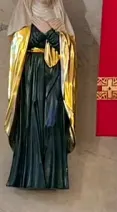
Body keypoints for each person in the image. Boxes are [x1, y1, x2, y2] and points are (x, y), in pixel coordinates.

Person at [5, 0, 77, 189]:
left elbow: (69, 48)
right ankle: (30, 175)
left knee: (52, 121)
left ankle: (53, 175)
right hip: (32, 74)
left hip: (55, 75)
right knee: (32, 119)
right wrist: (41, 29)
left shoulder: (58, 12)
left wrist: (53, 33)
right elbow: (17, 43)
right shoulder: (25, 10)